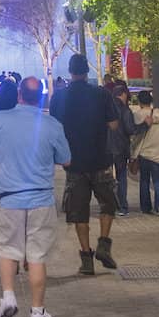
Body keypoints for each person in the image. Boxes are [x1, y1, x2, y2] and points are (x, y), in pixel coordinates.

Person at [0, 76, 71, 317]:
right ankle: (38, 314)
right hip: (41, 198)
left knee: (8, 250)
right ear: (41, 96)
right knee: (38, 256)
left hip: (9, 199)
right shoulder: (52, 125)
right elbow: (66, 159)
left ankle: (8, 297)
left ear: (19, 94)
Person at [51, 53, 120, 274]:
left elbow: (54, 128)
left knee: (79, 212)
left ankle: (86, 258)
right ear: (87, 71)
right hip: (100, 159)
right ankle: (103, 243)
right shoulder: (101, 94)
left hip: (74, 162)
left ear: (70, 71)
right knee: (108, 203)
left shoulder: (59, 98)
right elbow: (114, 124)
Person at [132, 90, 159, 215]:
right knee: (157, 180)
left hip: (145, 153)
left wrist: (132, 154)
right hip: (158, 154)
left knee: (144, 180)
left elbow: (136, 136)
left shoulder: (138, 115)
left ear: (140, 102)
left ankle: (146, 207)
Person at [108, 81, 136, 216]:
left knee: (107, 178)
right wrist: (145, 125)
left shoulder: (106, 109)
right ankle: (122, 207)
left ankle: (109, 205)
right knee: (121, 177)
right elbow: (131, 129)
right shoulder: (125, 110)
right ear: (123, 94)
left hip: (107, 149)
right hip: (121, 148)